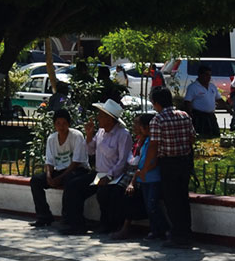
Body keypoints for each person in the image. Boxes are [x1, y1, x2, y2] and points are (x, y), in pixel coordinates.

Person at [145, 86, 195, 247]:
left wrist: (146, 166)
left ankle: (178, 236)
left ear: (156, 103)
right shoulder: (184, 115)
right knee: (183, 198)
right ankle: (186, 232)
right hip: (184, 161)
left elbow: (153, 146)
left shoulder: (157, 120)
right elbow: (192, 138)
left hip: (169, 163)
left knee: (172, 201)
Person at [28, 108, 93, 232]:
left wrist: (60, 178)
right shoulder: (51, 139)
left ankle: (67, 218)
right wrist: (49, 176)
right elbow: (50, 161)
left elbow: (77, 161)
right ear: (54, 124)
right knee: (36, 181)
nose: (61, 127)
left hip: (77, 170)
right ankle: (44, 216)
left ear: (69, 124)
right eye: (58, 123)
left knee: (70, 181)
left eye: (64, 123)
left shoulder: (76, 136)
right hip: (59, 170)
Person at [112, 113, 167, 241]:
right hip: (143, 177)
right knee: (148, 205)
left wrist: (144, 170)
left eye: (140, 125)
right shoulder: (143, 141)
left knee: (152, 205)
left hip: (151, 177)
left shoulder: (153, 142)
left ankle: (164, 230)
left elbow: (153, 160)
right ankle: (155, 231)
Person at [84, 99, 134, 233]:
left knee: (105, 193)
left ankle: (108, 224)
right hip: (98, 173)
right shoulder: (100, 132)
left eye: (101, 115)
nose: (98, 118)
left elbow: (122, 161)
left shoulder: (123, 135)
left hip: (115, 175)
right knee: (75, 186)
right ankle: (74, 221)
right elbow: (90, 150)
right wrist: (89, 136)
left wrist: (109, 176)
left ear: (110, 119)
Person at [184, 66, 222, 138]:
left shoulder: (212, 86)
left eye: (210, 75)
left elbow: (219, 99)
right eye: (206, 75)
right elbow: (187, 101)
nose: (209, 77)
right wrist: (190, 114)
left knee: (215, 135)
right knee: (202, 136)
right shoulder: (193, 87)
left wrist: (229, 109)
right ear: (200, 75)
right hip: (199, 116)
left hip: (211, 116)